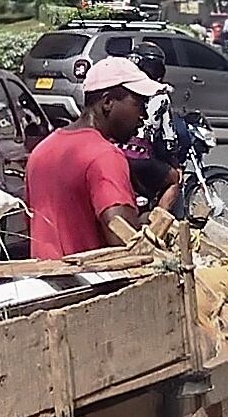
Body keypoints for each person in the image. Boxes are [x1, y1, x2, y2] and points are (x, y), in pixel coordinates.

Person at [24, 56, 162, 260]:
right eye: (139, 104)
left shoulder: (42, 150)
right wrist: (146, 220)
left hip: (43, 279)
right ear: (107, 102)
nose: (143, 116)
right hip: (88, 283)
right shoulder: (104, 155)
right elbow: (123, 239)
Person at [120, 42, 188, 214]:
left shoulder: (120, 88)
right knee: (174, 179)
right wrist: (175, 161)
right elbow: (169, 139)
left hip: (114, 152)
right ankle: (155, 227)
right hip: (140, 157)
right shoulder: (159, 95)